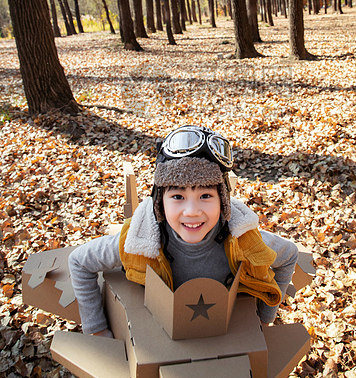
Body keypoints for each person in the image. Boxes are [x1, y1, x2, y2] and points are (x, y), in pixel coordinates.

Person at [68, 125, 299, 337]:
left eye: (205, 196)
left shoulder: (242, 239)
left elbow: (289, 255)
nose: (191, 211)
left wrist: (264, 320)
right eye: (178, 196)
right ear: (160, 202)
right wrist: (96, 329)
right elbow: (79, 262)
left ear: (223, 202)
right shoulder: (139, 239)